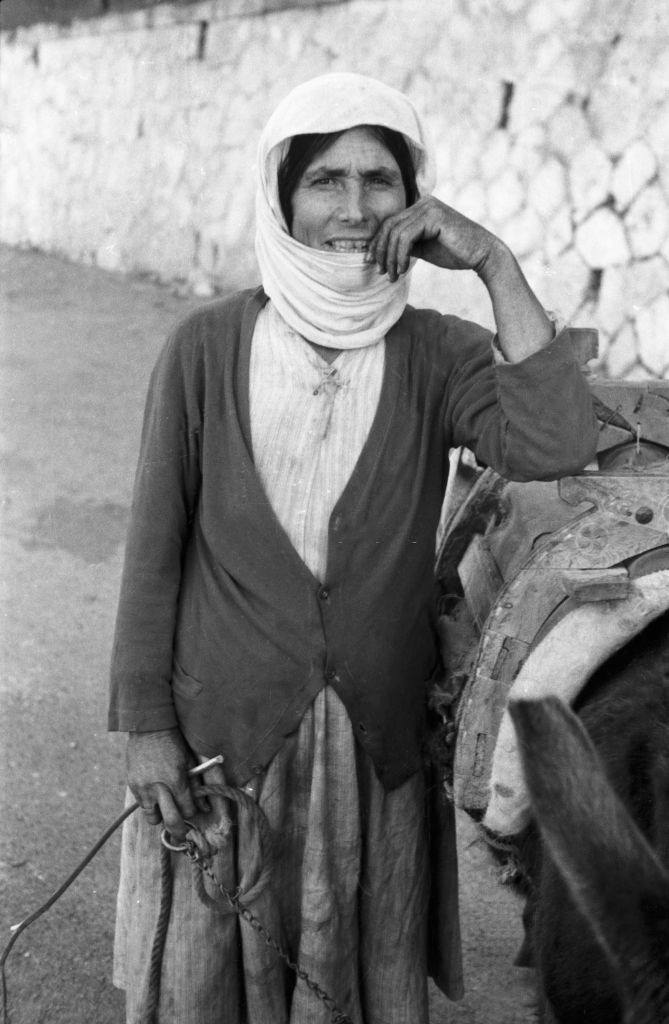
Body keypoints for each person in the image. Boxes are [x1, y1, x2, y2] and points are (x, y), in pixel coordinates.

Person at [108, 72, 598, 1024]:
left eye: (380, 179)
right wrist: (148, 730)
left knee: (347, 983)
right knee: (215, 981)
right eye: (324, 180)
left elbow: (555, 444)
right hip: (225, 743)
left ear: (411, 196)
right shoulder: (203, 348)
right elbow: (152, 550)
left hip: (371, 742)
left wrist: (492, 260)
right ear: (281, 195)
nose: (352, 207)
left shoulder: (437, 351)